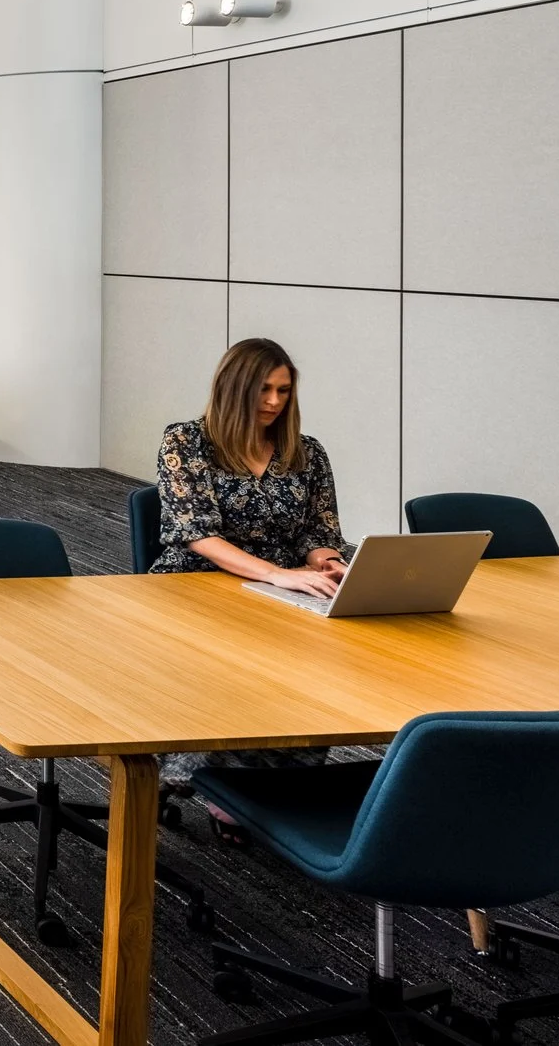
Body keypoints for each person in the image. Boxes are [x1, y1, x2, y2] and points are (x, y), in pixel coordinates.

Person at [153, 337, 346, 790]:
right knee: (230, 665)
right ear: (233, 389)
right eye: (263, 390)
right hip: (195, 585)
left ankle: (269, 788)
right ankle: (210, 780)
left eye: (283, 390)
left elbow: (318, 530)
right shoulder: (186, 442)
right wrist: (276, 574)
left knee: (321, 662)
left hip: (283, 587)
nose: (275, 402)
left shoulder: (307, 452)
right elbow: (196, 533)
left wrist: (329, 562)